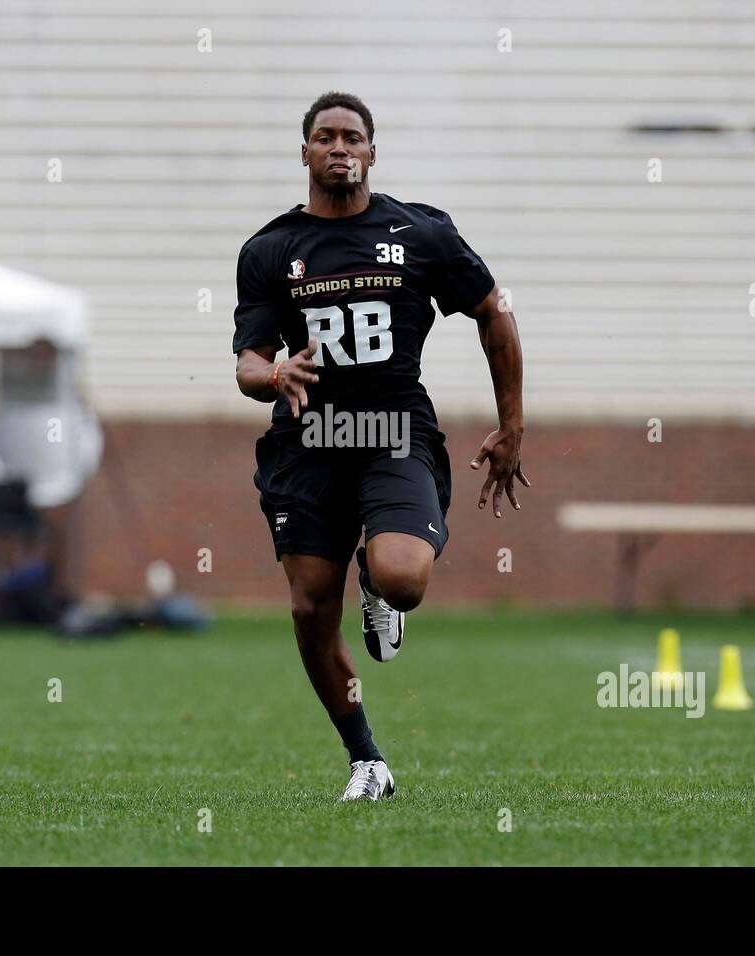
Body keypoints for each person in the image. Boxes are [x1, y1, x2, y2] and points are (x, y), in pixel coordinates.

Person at [232, 92, 529, 801]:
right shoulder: (271, 249)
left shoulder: (419, 233)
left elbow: (494, 311)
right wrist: (274, 373)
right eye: (325, 137)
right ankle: (366, 760)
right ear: (303, 152)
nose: (340, 147)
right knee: (309, 609)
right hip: (308, 441)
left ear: (372, 152)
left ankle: (375, 580)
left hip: (392, 432)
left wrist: (512, 425)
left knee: (402, 578)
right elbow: (247, 362)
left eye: (353, 137)